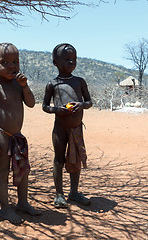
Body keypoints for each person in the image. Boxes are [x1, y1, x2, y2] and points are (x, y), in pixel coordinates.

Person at [0, 43, 40, 224]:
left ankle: (22, 203)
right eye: (5, 62)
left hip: (18, 136)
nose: (11, 66)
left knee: (23, 171)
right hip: (1, 135)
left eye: (15, 62)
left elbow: (31, 103)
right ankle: (5, 209)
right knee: (3, 172)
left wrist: (25, 86)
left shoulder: (19, 84)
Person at [42, 43, 92, 208]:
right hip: (59, 128)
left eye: (74, 59)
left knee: (75, 158)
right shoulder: (52, 84)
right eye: (67, 59)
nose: (71, 62)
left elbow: (89, 102)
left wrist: (81, 105)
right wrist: (57, 110)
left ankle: (74, 192)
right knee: (59, 159)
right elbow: (45, 107)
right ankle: (59, 194)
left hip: (76, 127)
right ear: (55, 62)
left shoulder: (79, 81)